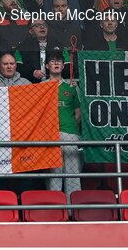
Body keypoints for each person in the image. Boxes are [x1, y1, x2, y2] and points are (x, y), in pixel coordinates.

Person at [44, 50, 81, 196]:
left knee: (73, 172)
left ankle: (74, 209)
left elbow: (78, 112)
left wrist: (70, 125)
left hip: (70, 133)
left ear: (63, 65)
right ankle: (56, 208)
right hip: (49, 135)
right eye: (52, 61)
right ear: (47, 66)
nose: (56, 64)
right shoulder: (41, 86)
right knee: (54, 173)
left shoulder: (71, 86)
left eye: (59, 61)